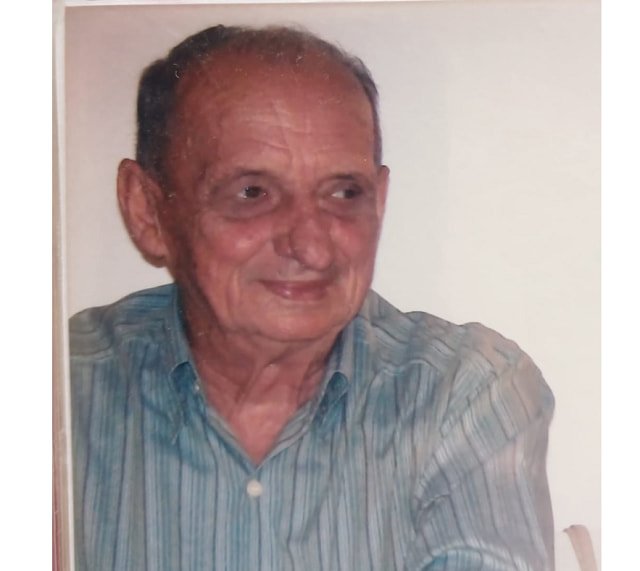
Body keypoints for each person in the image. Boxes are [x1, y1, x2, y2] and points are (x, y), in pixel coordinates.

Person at [70, 25, 555, 570]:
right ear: (148, 210)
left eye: (344, 193)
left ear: (380, 202)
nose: (311, 246)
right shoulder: (59, 391)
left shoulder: (460, 395)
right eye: (252, 193)